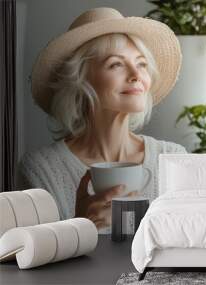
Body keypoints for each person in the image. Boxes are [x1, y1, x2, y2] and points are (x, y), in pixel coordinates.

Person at [17, 7, 186, 231]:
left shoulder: (173, 159)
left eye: (142, 63)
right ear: (80, 79)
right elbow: (36, 260)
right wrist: (81, 227)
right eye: (116, 64)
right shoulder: (43, 169)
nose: (136, 75)